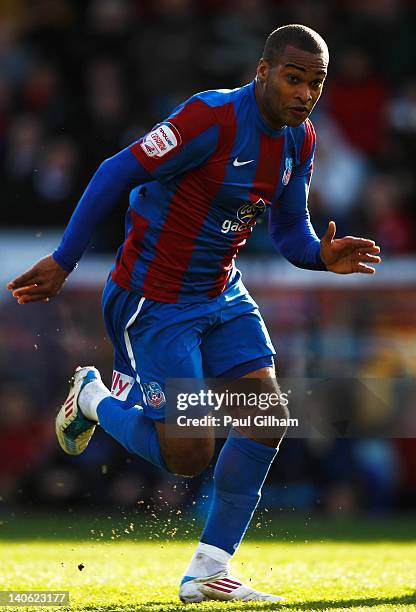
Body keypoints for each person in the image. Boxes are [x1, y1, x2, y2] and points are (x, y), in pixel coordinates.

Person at [7, 24, 380, 603]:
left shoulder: (299, 140)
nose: (305, 93)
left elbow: (289, 230)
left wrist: (320, 256)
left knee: (266, 417)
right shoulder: (209, 119)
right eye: (293, 78)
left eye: (316, 83)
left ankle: (209, 567)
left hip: (222, 294)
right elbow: (116, 171)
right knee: (189, 453)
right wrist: (64, 259)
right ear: (262, 72)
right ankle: (92, 398)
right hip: (154, 301)